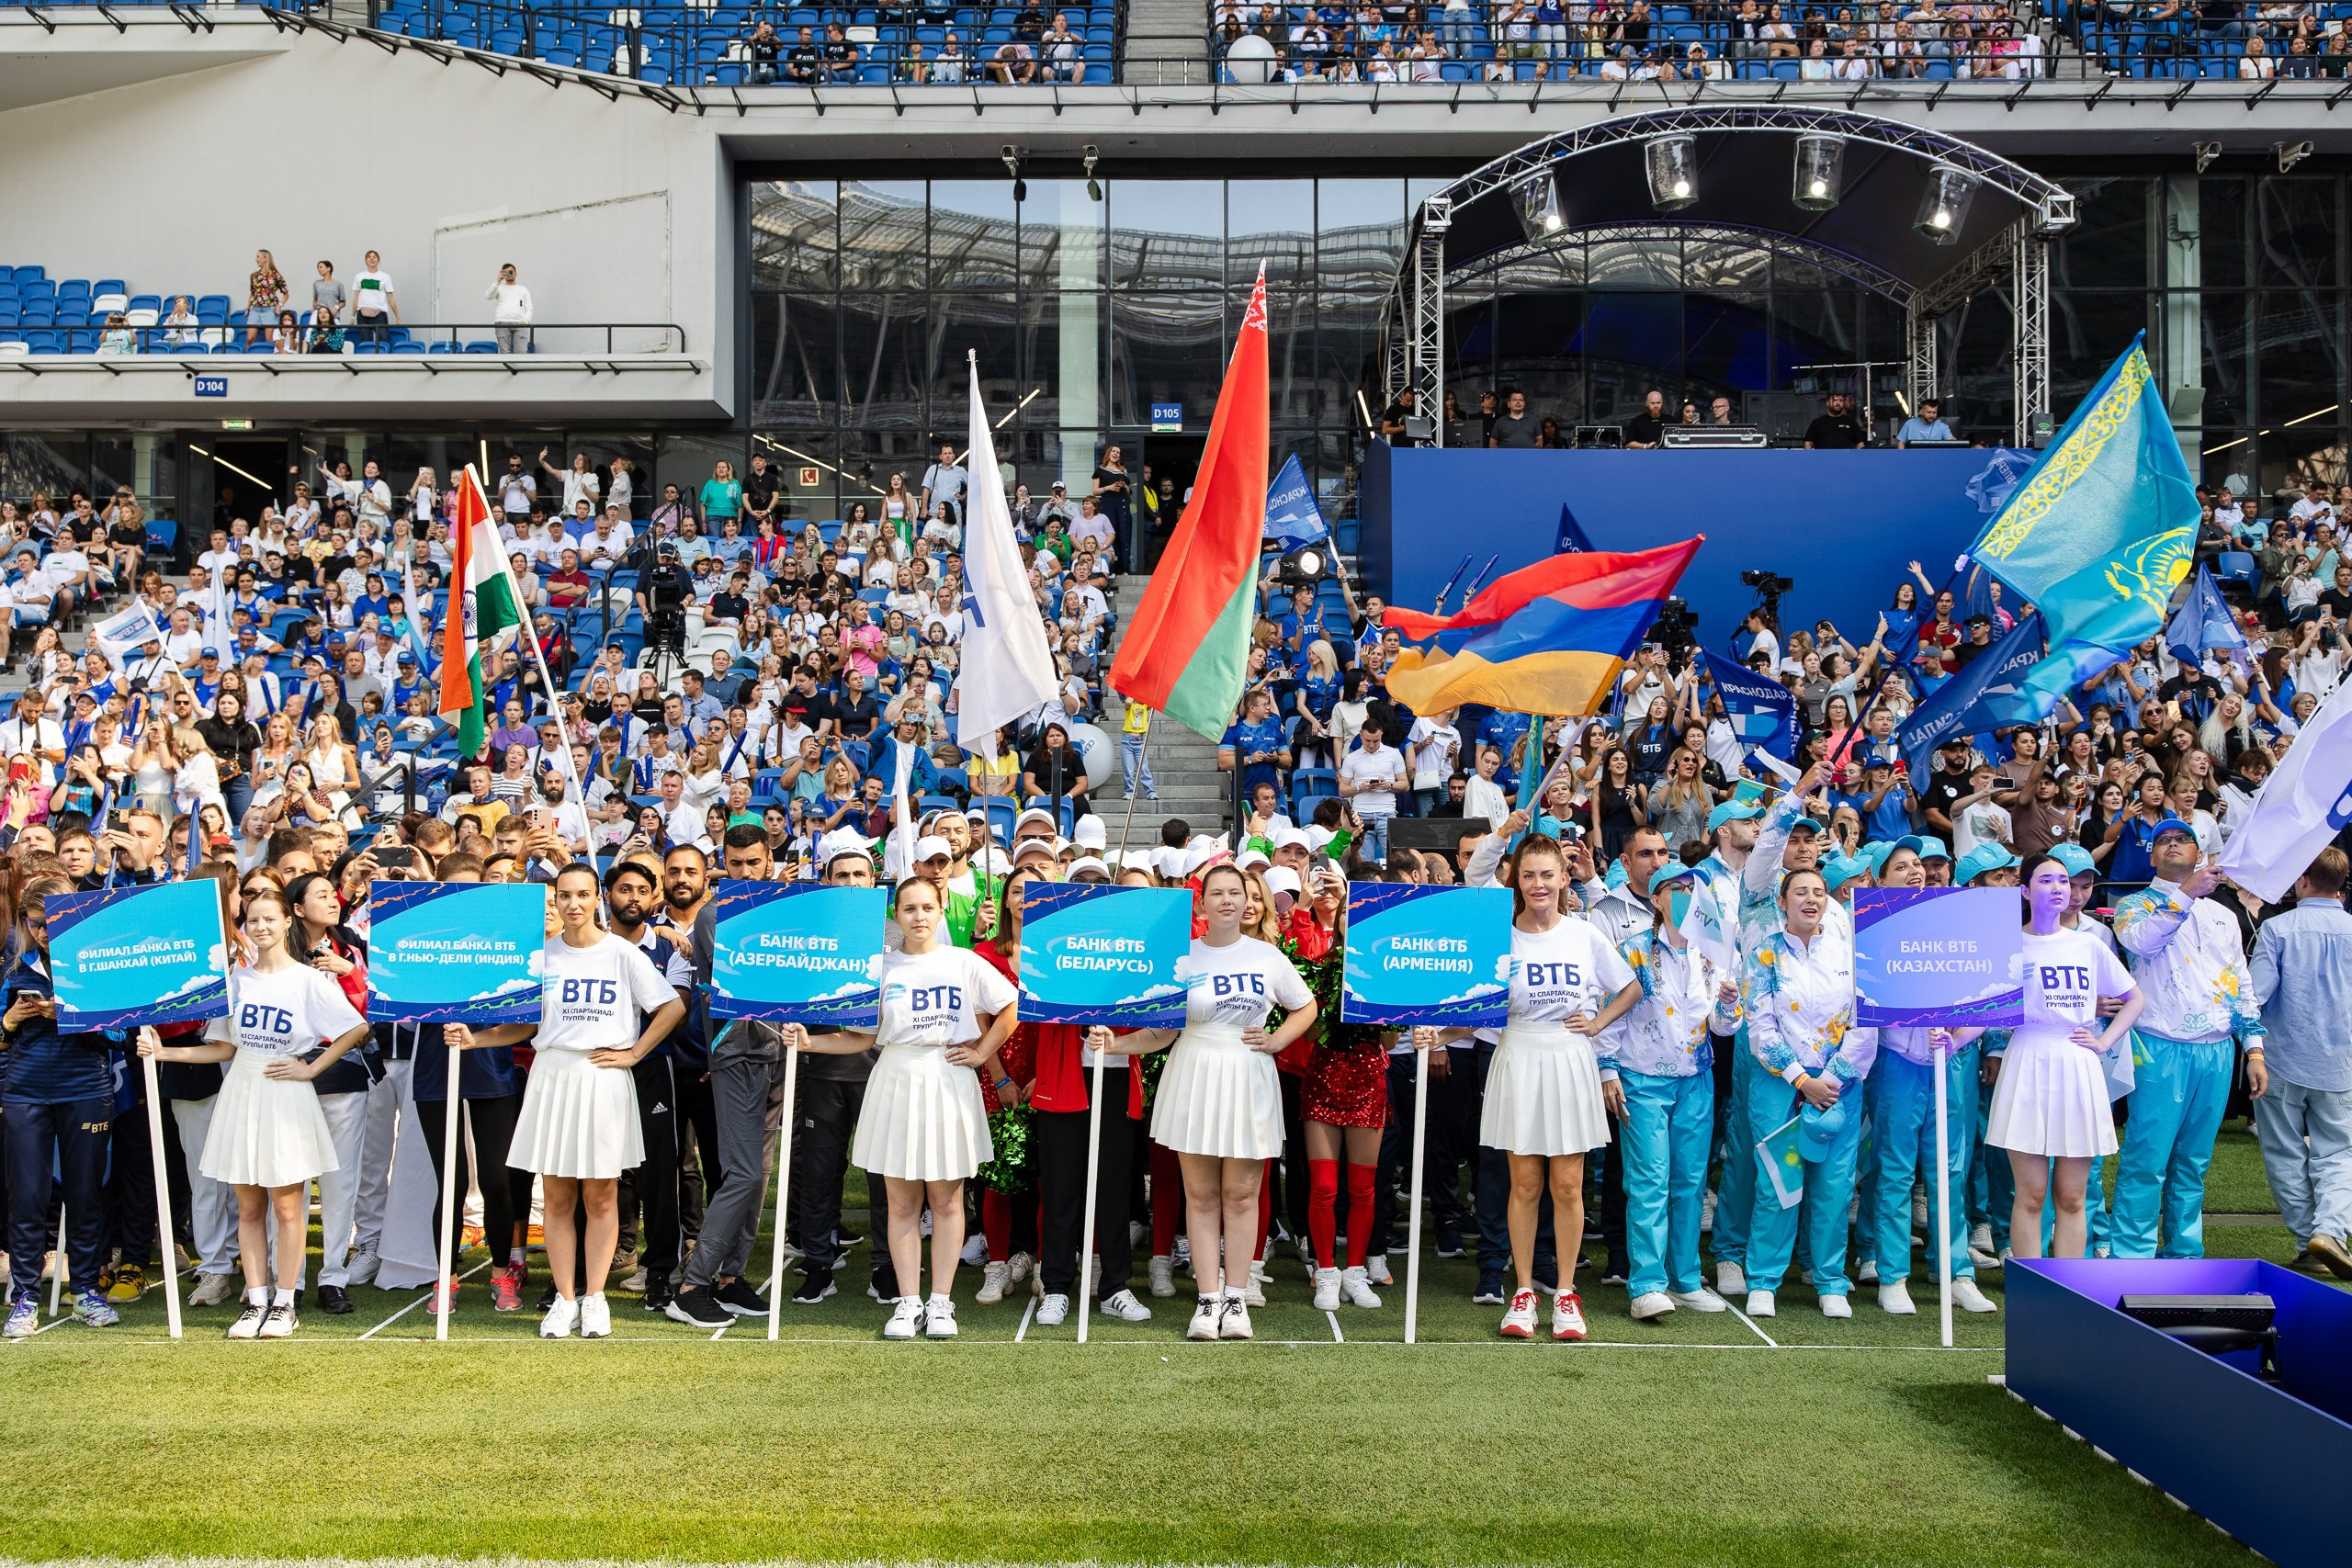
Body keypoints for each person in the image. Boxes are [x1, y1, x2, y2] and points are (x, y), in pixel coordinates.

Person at [456, 863, 684, 1338]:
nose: (573, 904)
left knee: (601, 1195)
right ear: (555, 900)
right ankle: (564, 1299)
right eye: (564, 895)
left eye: (582, 894)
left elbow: (672, 1006)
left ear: (597, 897)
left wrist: (635, 1053)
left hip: (603, 1077)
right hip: (553, 1075)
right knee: (558, 1196)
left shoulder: (622, 954)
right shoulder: (540, 957)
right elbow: (525, 1025)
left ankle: (595, 1297)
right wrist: (477, 1039)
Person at [136, 886, 372, 1339]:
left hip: (286, 1095)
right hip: (242, 1092)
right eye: (253, 919)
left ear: (287, 922)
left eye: (270, 919)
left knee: (287, 1208)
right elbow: (222, 1048)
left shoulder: (308, 979)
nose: (261, 927)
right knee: (248, 1208)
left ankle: (286, 1303)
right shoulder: (236, 980)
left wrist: (311, 1068)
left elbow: (355, 1028)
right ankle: (256, 1301)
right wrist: (163, 1052)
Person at [797, 875, 1018, 1341]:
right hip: (895, 1075)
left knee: (947, 1199)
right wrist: (809, 1042)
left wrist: (981, 1053)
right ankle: (908, 1302)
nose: (919, 917)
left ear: (941, 911)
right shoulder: (878, 968)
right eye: (909, 909)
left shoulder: (964, 961)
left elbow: (1011, 1007)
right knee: (901, 1202)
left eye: (928, 907)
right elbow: (859, 1038)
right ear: (895, 915)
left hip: (948, 1078)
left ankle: (941, 1302)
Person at [1437, 834, 1638, 1339]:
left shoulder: (1584, 934)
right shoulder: (1499, 936)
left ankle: (1566, 1293)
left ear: (1564, 878)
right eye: (1528, 875)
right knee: (1523, 1184)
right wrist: (1435, 1035)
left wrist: (1597, 1023)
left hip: (1569, 1057)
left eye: (1547, 874)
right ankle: (1524, 1292)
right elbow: (1476, 1010)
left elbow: (1631, 986)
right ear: (1517, 881)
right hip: (1518, 1054)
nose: (1538, 884)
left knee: (1567, 1185)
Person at [1114, 862, 1319, 1341]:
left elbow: (1306, 1006)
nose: (1228, 900)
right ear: (1201, 902)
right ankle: (1208, 1300)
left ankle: (1236, 1298)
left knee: (1242, 1195)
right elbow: (1162, 1032)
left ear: (1249, 901)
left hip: (1248, 1074)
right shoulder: (1181, 957)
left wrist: (1277, 1040)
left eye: (1236, 892)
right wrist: (1116, 1044)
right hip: (1194, 1073)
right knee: (1202, 1196)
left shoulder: (1267, 957)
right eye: (1218, 893)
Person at [2109, 818, 2266, 1258]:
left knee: (2194, 1162)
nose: (2173, 844)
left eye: (2183, 839)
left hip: (2216, 1049)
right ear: (2152, 856)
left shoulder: (2224, 916)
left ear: (2200, 853)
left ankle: (2184, 1255)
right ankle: (2132, 1257)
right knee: (2147, 1157)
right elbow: (2141, 944)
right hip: (2158, 1046)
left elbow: (2240, 984)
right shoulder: (2132, 906)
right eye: (2163, 840)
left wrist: (2254, 1049)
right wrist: (2186, 894)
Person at [1984, 852, 2144, 1260]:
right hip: (2026, 1058)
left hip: (2077, 1062)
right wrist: (1951, 1040)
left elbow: (2134, 998)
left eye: (2063, 880)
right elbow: (1983, 1009)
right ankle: (2028, 1285)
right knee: (2031, 1194)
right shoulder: (2005, 944)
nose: (2058, 888)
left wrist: (2104, 1042)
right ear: (2025, 890)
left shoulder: (2089, 944)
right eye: (2046, 880)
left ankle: (2067, 1285)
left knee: (2072, 1197)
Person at [1598, 863, 1737, 1321]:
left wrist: (1731, 1004)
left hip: (1696, 1078)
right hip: (1641, 1080)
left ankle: (1685, 1280)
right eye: (1675, 889)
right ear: (1656, 900)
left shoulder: (1713, 952)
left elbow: (1723, 1027)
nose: (1685, 896)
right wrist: (1607, 1070)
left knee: (1690, 1183)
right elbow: (1610, 1012)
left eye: (1692, 890)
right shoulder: (1632, 950)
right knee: (1649, 1181)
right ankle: (1647, 1285)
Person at [1737, 864, 1874, 1318]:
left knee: (1835, 1187)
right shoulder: (1763, 956)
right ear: (1782, 901)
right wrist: (1801, 1080)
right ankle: (1763, 1280)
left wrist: (1828, 1081)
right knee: (1777, 1183)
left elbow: (1865, 1024)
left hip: (1838, 1086)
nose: (1811, 899)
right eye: (1800, 892)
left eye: (1818, 892)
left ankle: (1830, 1279)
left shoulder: (1852, 955)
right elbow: (1760, 1027)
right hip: (1779, 1085)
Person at [3, 878, 128, 1336]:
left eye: (50, 923)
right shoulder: (14, 971)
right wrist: (9, 1020)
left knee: (85, 1195)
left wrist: (70, 1014)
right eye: (34, 924)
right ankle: (24, 1297)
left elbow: (120, 1034)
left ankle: (88, 1291)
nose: (41, 933)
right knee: (27, 1198)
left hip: (86, 1091)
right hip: (24, 1093)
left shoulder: (97, 966)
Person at [2247, 845, 2352, 1278]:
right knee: (2340, 1153)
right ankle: (2329, 1231)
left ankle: (2310, 1239)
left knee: (2284, 1152)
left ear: (2303, 879)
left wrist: (2252, 1050)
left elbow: (2253, 997)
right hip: (2340, 1061)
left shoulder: (2277, 929)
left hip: (2279, 1059)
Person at [485, 263, 533, 353]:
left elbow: (529, 308)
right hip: (502, 323)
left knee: (521, 353)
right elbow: (488, 296)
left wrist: (526, 321)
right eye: (506, 272)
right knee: (505, 354)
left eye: (510, 272)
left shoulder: (523, 289)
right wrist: (497, 281)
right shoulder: (499, 288)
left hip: (520, 324)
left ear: (516, 273)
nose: (509, 274)